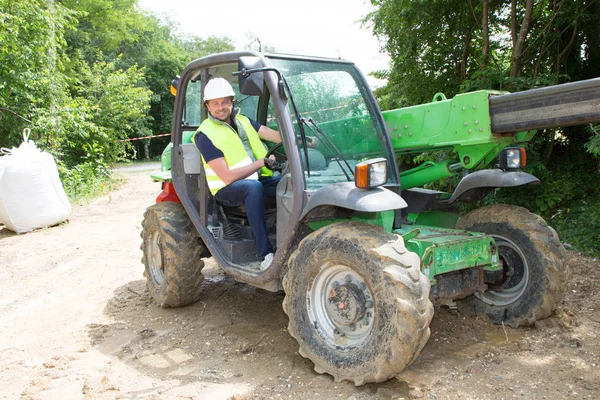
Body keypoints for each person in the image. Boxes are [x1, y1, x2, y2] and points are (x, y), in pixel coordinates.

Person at [194, 77, 282, 270]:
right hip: (226, 190)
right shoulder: (205, 135)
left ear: (232, 102)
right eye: (215, 103)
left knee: (287, 182)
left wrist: (298, 136)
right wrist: (261, 163)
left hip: (255, 179)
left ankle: (287, 239)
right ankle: (265, 254)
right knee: (253, 188)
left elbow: (274, 136)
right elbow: (227, 176)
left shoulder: (243, 121)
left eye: (225, 102)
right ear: (207, 106)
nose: (221, 107)